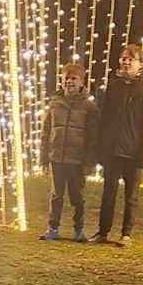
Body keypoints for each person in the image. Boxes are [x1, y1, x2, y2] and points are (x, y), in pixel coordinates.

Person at [92, 41, 143, 247]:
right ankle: (103, 232)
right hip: (113, 150)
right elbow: (104, 119)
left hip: (133, 151)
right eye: (124, 58)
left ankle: (126, 234)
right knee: (108, 193)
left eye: (131, 59)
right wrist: (101, 148)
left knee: (131, 196)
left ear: (140, 65)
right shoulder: (113, 87)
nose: (127, 62)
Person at [38, 60, 98, 241]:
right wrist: (44, 157)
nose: (69, 82)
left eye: (74, 78)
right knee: (56, 196)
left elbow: (93, 137)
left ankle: (79, 230)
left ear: (81, 82)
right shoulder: (55, 104)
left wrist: (89, 161)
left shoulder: (89, 107)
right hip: (57, 157)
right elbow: (46, 131)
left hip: (77, 160)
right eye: (66, 78)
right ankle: (53, 228)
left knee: (77, 196)